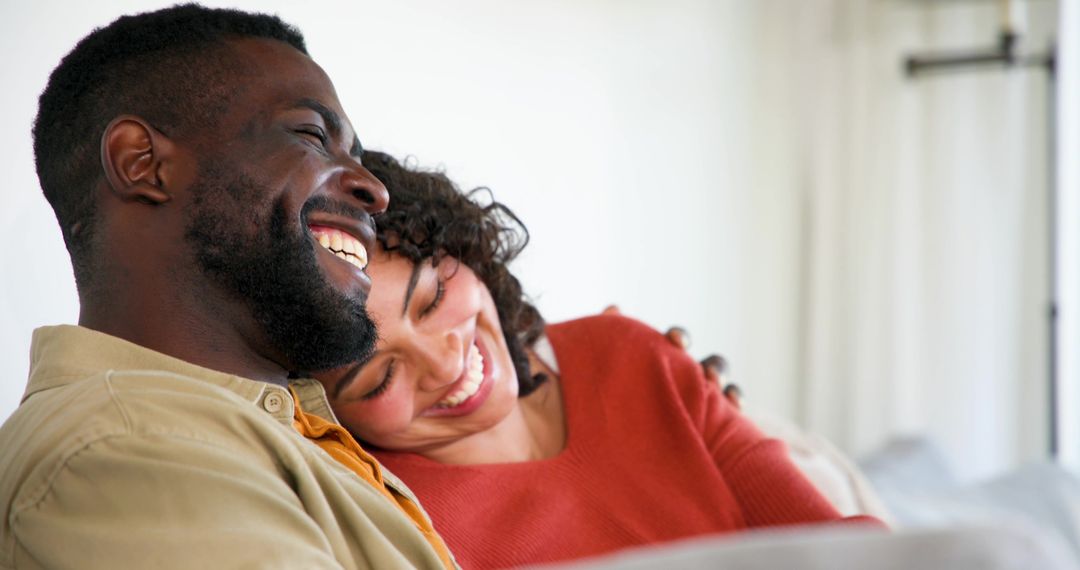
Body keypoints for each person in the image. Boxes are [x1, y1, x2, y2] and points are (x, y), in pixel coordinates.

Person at [0, 6, 454, 569]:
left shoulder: (262, 430)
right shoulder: (124, 447)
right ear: (142, 163)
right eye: (312, 135)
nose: (375, 190)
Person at [314, 151, 884, 569]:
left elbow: (851, 551)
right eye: (380, 378)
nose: (445, 364)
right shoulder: (400, 524)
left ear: (460, 247)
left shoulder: (625, 354)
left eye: (433, 298)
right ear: (334, 415)